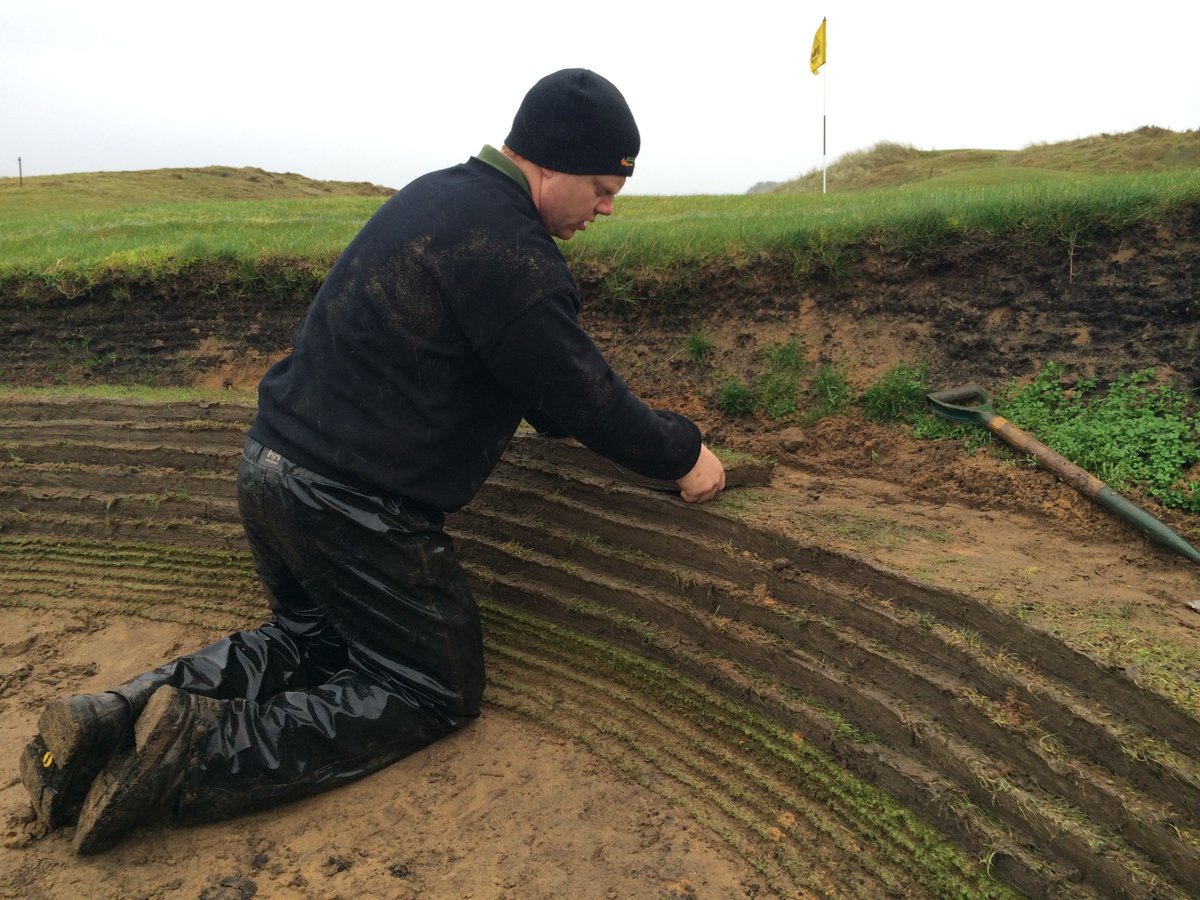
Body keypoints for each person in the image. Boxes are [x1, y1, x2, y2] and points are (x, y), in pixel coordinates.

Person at [19, 67, 725, 854]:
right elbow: (587, 398)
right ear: (553, 161)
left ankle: (109, 720)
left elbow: (545, 392)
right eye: (600, 186)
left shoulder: (438, 196)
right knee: (431, 687)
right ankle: (192, 758)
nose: (606, 207)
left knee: (314, 640)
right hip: (352, 504)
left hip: (271, 466)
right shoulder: (511, 252)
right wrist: (683, 452)